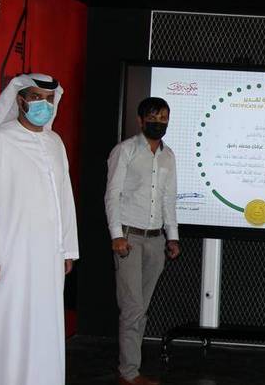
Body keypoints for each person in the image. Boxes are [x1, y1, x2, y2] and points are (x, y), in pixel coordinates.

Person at [0, 73, 79, 385]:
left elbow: (64, 198)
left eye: (49, 99)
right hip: (7, 259)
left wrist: (67, 249)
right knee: (2, 329)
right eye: (36, 97)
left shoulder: (54, 143)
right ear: (20, 99)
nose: (44, 104)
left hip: (47, 260)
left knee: (43, 328)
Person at [105, 97, 181, 385]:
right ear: (140, 120)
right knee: (133, 307)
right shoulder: (124, 150)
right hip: (129, 239)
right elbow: (112, 195)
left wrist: (172, 237)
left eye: (163, 118)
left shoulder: (168, 155)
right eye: (153, 117)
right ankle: (129, 373)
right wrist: (116, 235)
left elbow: (168, 199)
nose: (158, 122)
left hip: (155, 240)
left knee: (140, 308)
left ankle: (130, 369)